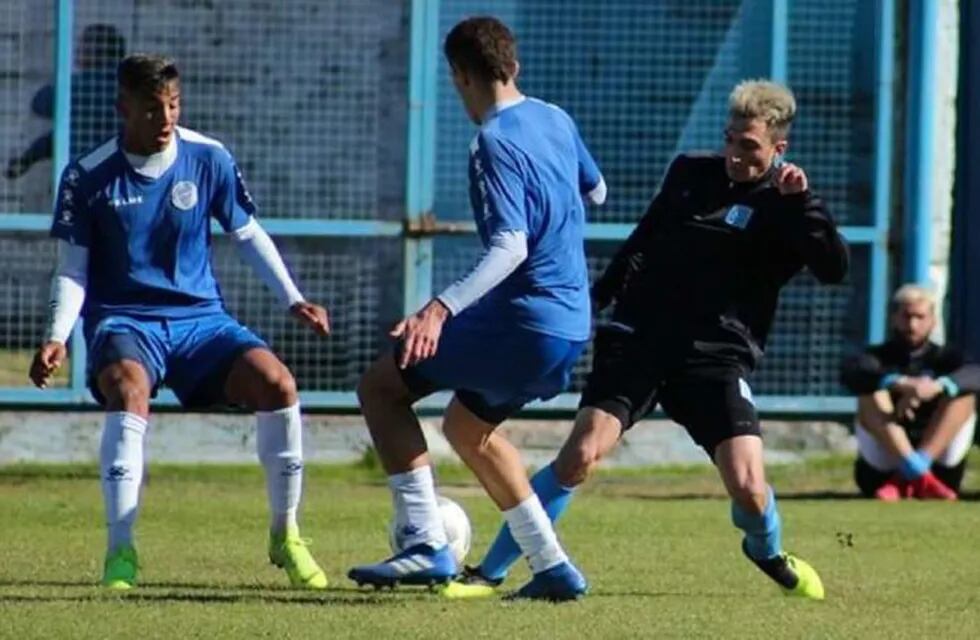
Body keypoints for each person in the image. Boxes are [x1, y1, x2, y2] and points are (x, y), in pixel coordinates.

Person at [447, 80, 848, 601]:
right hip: (640, 339)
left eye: (748, 146)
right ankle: (490, 572)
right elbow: (641, 243)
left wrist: (806, 204)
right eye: (730, 139)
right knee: (579, 457)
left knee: (749, 489)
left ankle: (766, 549)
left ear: (778, 149)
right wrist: (593, 304)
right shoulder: (690, 173)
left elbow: (834, 268)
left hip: (715, 358)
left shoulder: (787, 203)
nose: (734, 154)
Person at [28, 54, 331, 591]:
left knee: (278, 384)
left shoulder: (208, 158)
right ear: (124, 108)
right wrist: (56, 337)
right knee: (127, 391)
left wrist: (293, 298)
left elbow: (248, 235)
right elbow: (72, 270)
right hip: (125, 320)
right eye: (152, 109)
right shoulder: (88, 175)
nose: (165, 118)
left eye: (173, 105)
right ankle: (121, 552)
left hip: (201, 321)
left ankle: (286, 536)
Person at [347, 16, 606, 601]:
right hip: (569, 327)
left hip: (526, 320)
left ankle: (422, 542)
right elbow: (598, 191)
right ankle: (551, 566)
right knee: (468, 427)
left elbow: (511, 245)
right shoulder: (555, 118)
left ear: (460, 75)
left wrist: (439, 307)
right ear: (512, 65)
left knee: (381, 388)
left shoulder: (492, 141)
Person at [840, 284, 979, 500]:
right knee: (870, 394)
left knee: (964, 396)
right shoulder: (878, 356)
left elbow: (974, 374)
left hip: (939, 466)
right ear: (894, 318)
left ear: (933, 320)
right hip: (883, 469)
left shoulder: (947, 357)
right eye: (906, 317)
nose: (912, 325)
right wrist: (900, 383)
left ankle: (915, 470)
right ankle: (914, 470)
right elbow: (852, 373)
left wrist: (937, 386)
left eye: (920, 317)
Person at [6, 24, 125, 178]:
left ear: (94, 51)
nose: (76, 51)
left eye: (82, 46)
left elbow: (41, 102)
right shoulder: (130, 87)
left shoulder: (82, 86)